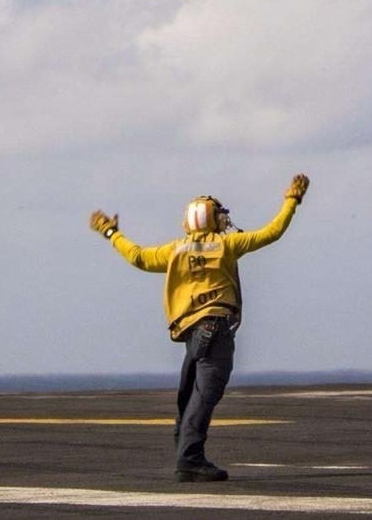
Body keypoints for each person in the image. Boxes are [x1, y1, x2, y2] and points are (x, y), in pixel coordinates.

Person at [89, 175, 309, 483]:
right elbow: (273, 232)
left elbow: (137, 256)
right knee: (205, 394)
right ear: (210, 217)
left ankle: (184, 451)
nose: (225, 220)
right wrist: (292, 201)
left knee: (189, 395)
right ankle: (190, 458)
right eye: (220, 215)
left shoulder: (175, 250)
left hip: (192, 332)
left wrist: (112, 232)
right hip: (215, 328)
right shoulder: (227, 244)